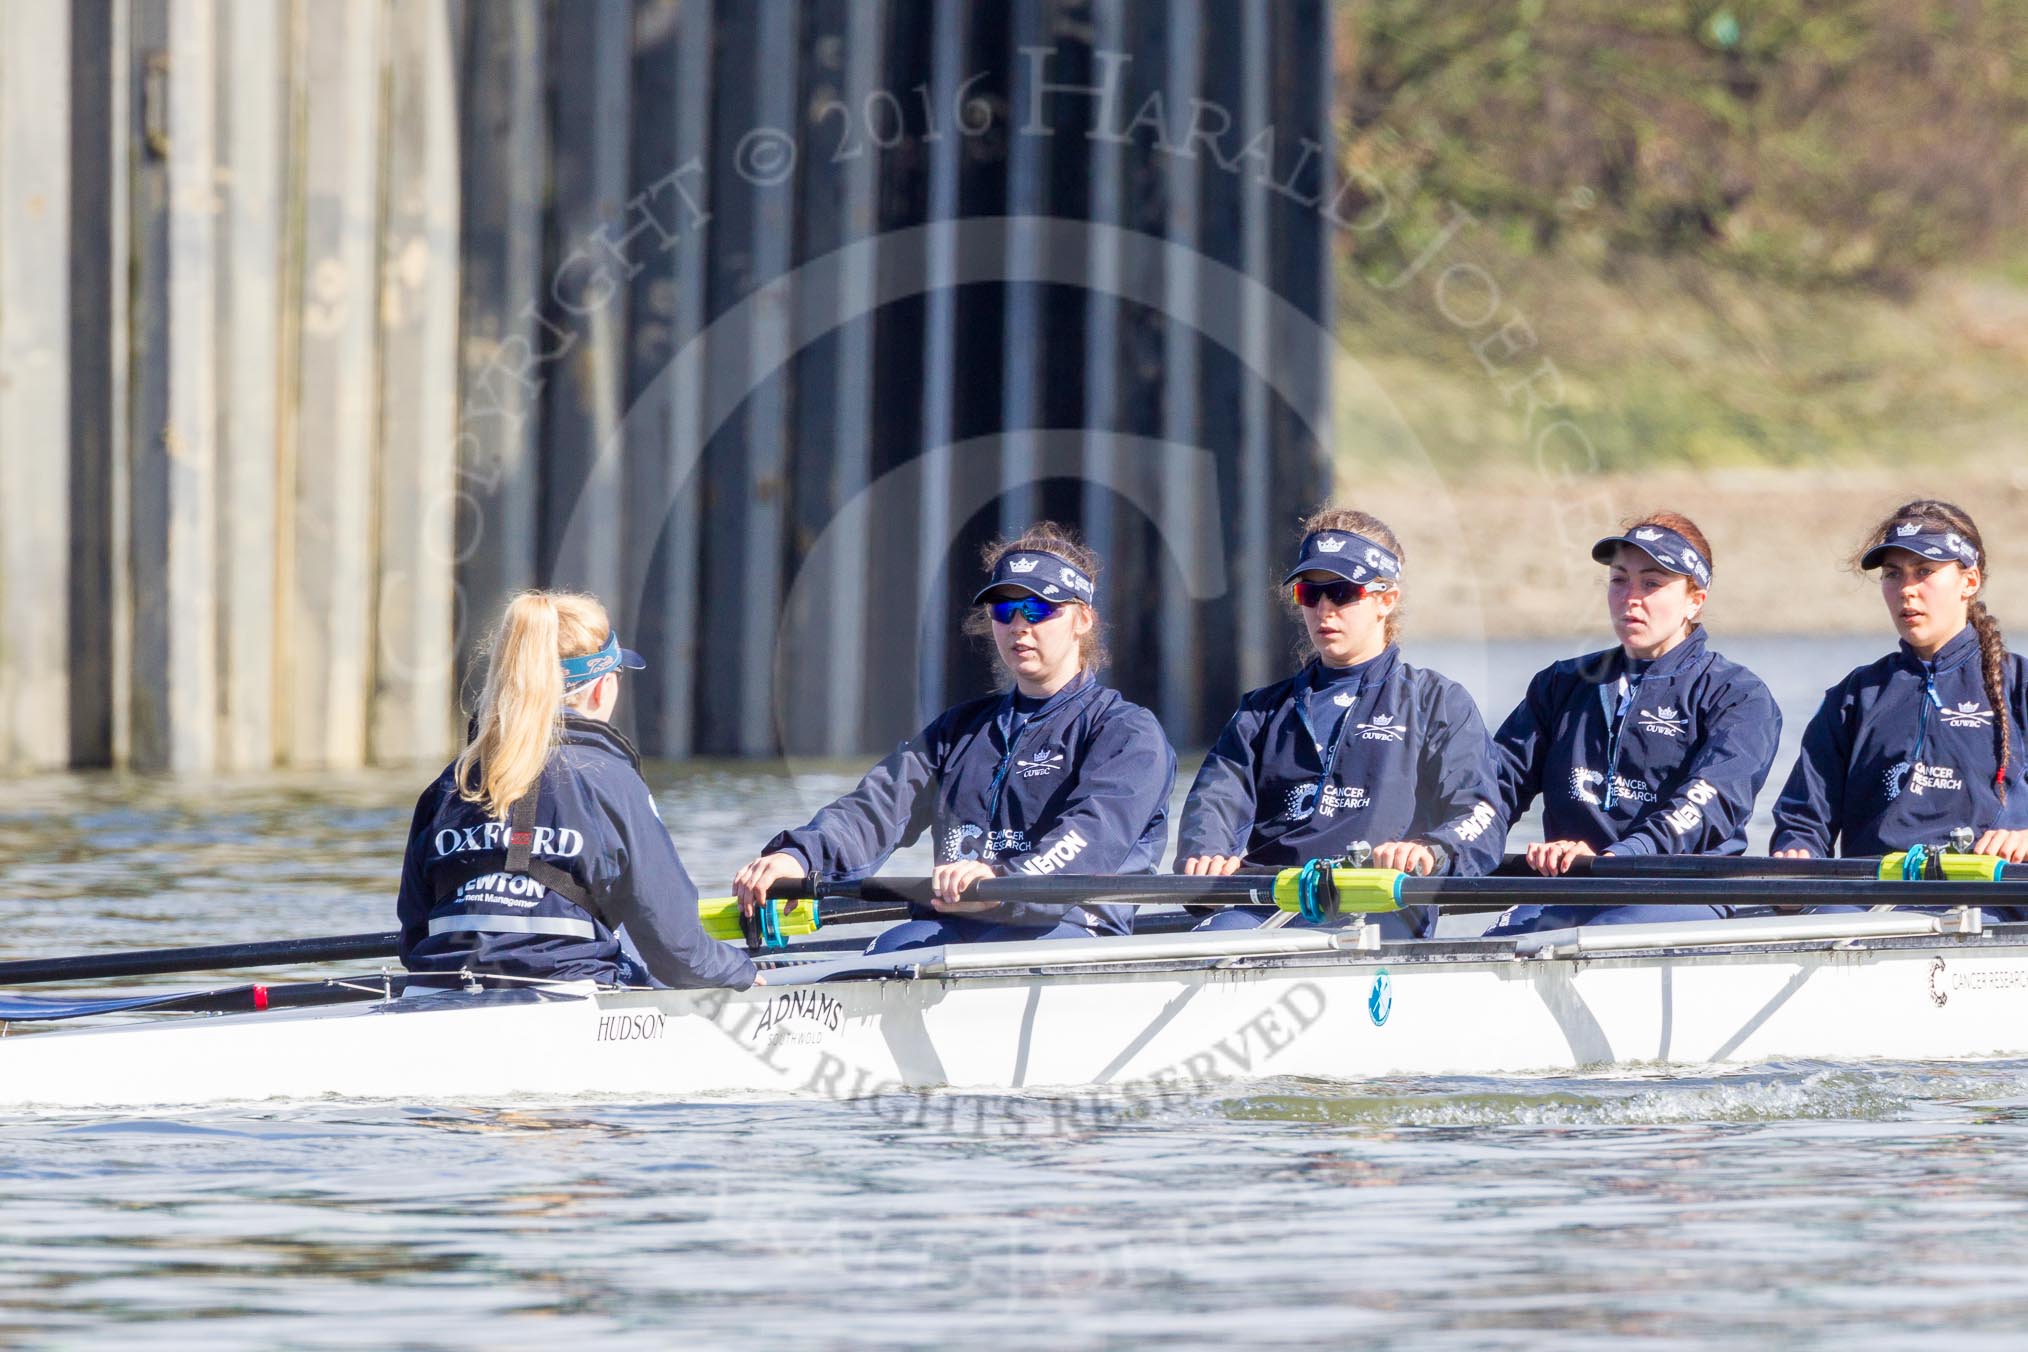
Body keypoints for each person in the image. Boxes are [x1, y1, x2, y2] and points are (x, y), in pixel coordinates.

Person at [732, 524, 1176, 954]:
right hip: (957, 923)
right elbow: (876, 808)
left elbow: (1090, 837)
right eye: (1003, 610)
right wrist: (801, 856)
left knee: (994, 957)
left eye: (1039, 609)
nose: (1019, 625)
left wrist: (1001, 880)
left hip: (1069, 928)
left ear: (1082, 619)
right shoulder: (958, 731)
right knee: (889, 951)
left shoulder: (1126, 733)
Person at [397, 591, 758, 991]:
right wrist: (746, 973)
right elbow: (676, 951)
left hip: (433, 993)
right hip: (564, 996)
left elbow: (414, 936)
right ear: (602, 688)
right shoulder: (612, 783)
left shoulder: (450, 784)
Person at [1174, 508, 1504, 937]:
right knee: (1210, 943)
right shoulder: (1261, 711)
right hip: (1271, 901)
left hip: (1378, 905)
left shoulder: (1436, 702)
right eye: (1310, 594)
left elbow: (1480, 813)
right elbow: (1214, 802)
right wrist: (1207, 853)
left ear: (1387, 600)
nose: (1324, 609)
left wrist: (1433, 850)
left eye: (1343, 592)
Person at [1486, 512, 1781, 933]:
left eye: (1652, 583)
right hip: (1571, 888)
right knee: (1503, 942)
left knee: (1597, 935)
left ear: (1695, 600)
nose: (1630, 597)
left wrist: (1624, 856)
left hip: (1677, 891)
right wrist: (1445, 846)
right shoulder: (1561, 683)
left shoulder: (1738, 695)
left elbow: (1705, 804)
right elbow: (1495, 786)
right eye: (1619, 580)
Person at [1770, 499, 2028, 868]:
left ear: (1969, 581)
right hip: (1871, 904)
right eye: (1893, 574)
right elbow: (1804, 821)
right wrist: (1796, 852)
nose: (1906, 589)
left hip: (1988, 902)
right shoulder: (1856, 696)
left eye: (1923, 571)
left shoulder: (2020, 686)